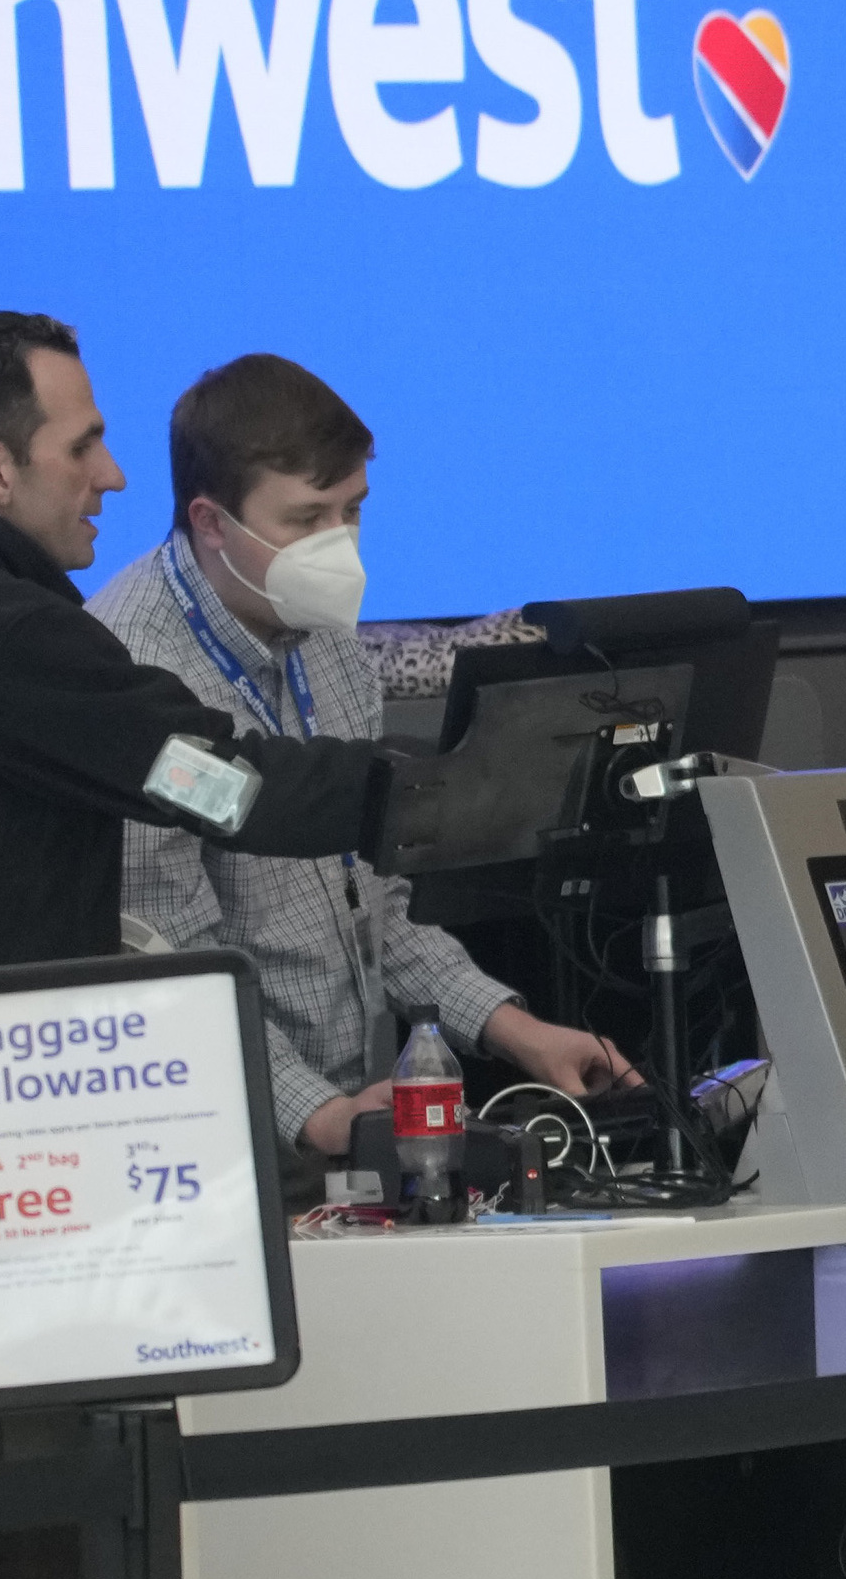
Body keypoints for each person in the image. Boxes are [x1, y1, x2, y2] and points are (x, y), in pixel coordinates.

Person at [0, 309, 402, 1185]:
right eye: (83, 448)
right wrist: (421, 797)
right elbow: (218, 789)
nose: (112, 476)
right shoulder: (7, 640)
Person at [89, 354, 634, 1166]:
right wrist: (324, 1117)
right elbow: (173, 969)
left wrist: (520, 1034)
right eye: (307, 520)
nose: (338, 548)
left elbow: (377, 904)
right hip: (210, 1138)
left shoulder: (329, 640)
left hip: (352, 1120)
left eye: (353, 512)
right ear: (209, 522)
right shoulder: (128, 675)